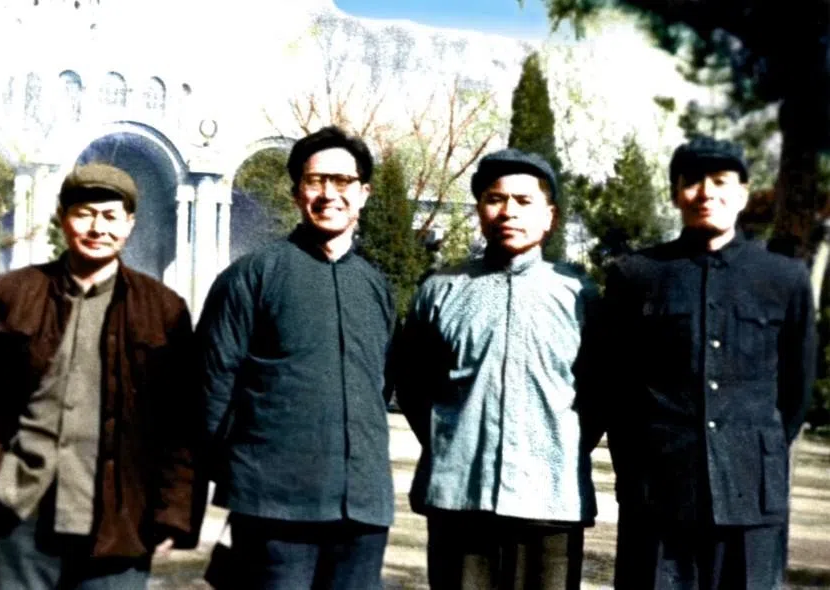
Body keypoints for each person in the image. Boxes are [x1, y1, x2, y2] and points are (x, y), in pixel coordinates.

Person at [0, 162, 205, 589]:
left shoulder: (163, 309)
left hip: (123, 518)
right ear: (63, 218)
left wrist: (172, 511)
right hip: (24, 512)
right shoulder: (9, 294)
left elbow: (184, 420)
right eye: (84, 213)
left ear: (130, 224)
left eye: (111, 216)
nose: (98, 228)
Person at [597, 136, 815, 589]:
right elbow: (615, 389)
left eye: (720, 181)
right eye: (692, 181)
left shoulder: (783, 278)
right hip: (659, 492)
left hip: (751, 494)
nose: (706, 192)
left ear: (742, 194)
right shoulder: (636, 275)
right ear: (676, 193)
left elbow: (794, 393)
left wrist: (751, 448)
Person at [197, 125, 396, 589]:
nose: (330, 194)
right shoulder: (251, 277)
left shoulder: (375, 286)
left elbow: (380, 385)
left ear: (363, 193)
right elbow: (211, 387)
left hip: (363, 508)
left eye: (343, 182)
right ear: (296, 194)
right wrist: (244, 477)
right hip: (274, 508)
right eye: (315, 181)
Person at [395, 148, 600, 590]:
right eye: (495, 198)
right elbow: (412, 386)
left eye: (525, 201)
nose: (509, 211)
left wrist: (560, 448)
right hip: (460, 498)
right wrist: (454, 443)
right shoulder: (441, 292)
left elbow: (602, 393)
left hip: (551, 500)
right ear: (480, 211)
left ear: (550, 216)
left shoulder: (579, 295)